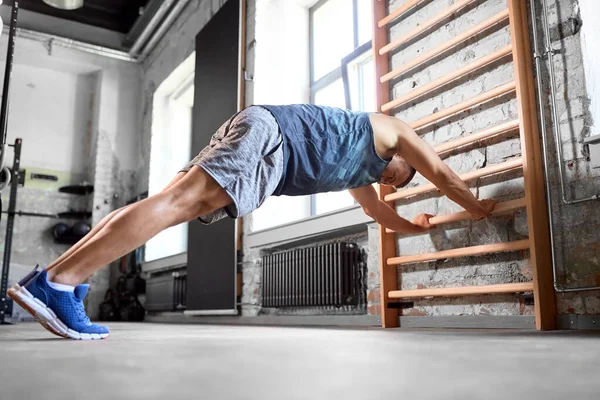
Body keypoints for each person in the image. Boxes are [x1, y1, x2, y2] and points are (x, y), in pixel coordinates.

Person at [8, 104, 496, 340]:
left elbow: (375, 213)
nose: (395, 184)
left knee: (166, 202)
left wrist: (419, 226)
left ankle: (58, 281)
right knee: (173, 206)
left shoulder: (356, 166)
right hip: (270, 141)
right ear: (402, 160)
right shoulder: (393, 131)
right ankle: (59, 282)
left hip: (262, 137)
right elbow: (443, 173)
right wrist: (478, 210)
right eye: (401, 179)